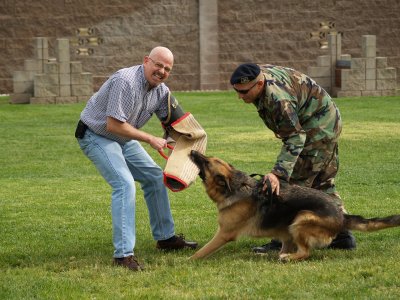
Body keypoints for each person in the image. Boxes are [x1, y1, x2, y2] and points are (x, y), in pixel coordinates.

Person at [75, 46, 198, 271]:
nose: (161, 71)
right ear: (146, 61)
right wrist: (151, 139)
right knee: (124, 184)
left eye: (167, 69)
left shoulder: (161, 91)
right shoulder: (126, 81)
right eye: (158, 65)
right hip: (96, 134)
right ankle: (123, 256)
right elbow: (113, 124)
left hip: (122, 135)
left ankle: (165, 238)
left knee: (153, 177)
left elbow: (175, 123)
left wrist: (189, 145)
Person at [229, 63, 356, 253]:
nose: (240, 96)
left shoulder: (277, 99)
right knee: (322, 185)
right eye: (237, 91)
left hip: (317, 130)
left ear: (259, 84)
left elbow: (296, 137)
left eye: (244, 92)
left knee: (293, 189)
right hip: (326, 123)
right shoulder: (259, 77)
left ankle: (283, 240)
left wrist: (278, 174)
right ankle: (342, 236)